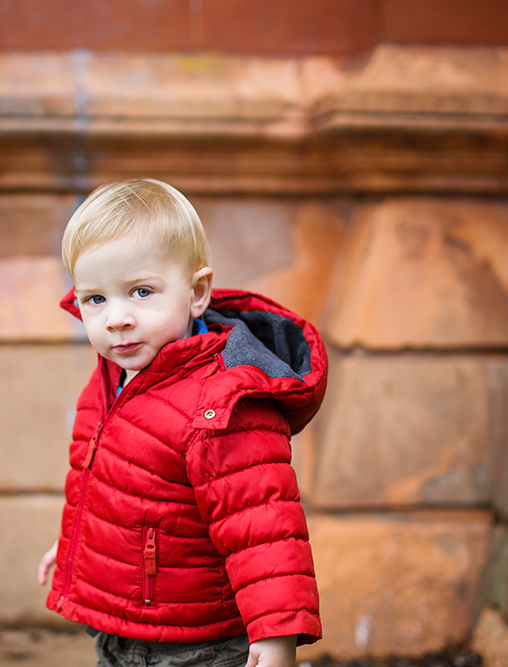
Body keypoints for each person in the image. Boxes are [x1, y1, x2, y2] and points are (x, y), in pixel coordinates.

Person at [38, 178, 327, 667]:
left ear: (196, 294)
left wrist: (277, 636)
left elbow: (264, 529)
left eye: (141, 291)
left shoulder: (224, 402)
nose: (117, 318)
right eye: (96, 299)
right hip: (126, 629)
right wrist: (78, 541)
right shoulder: (115, 374)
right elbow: (115, 485)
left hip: (198, 646)